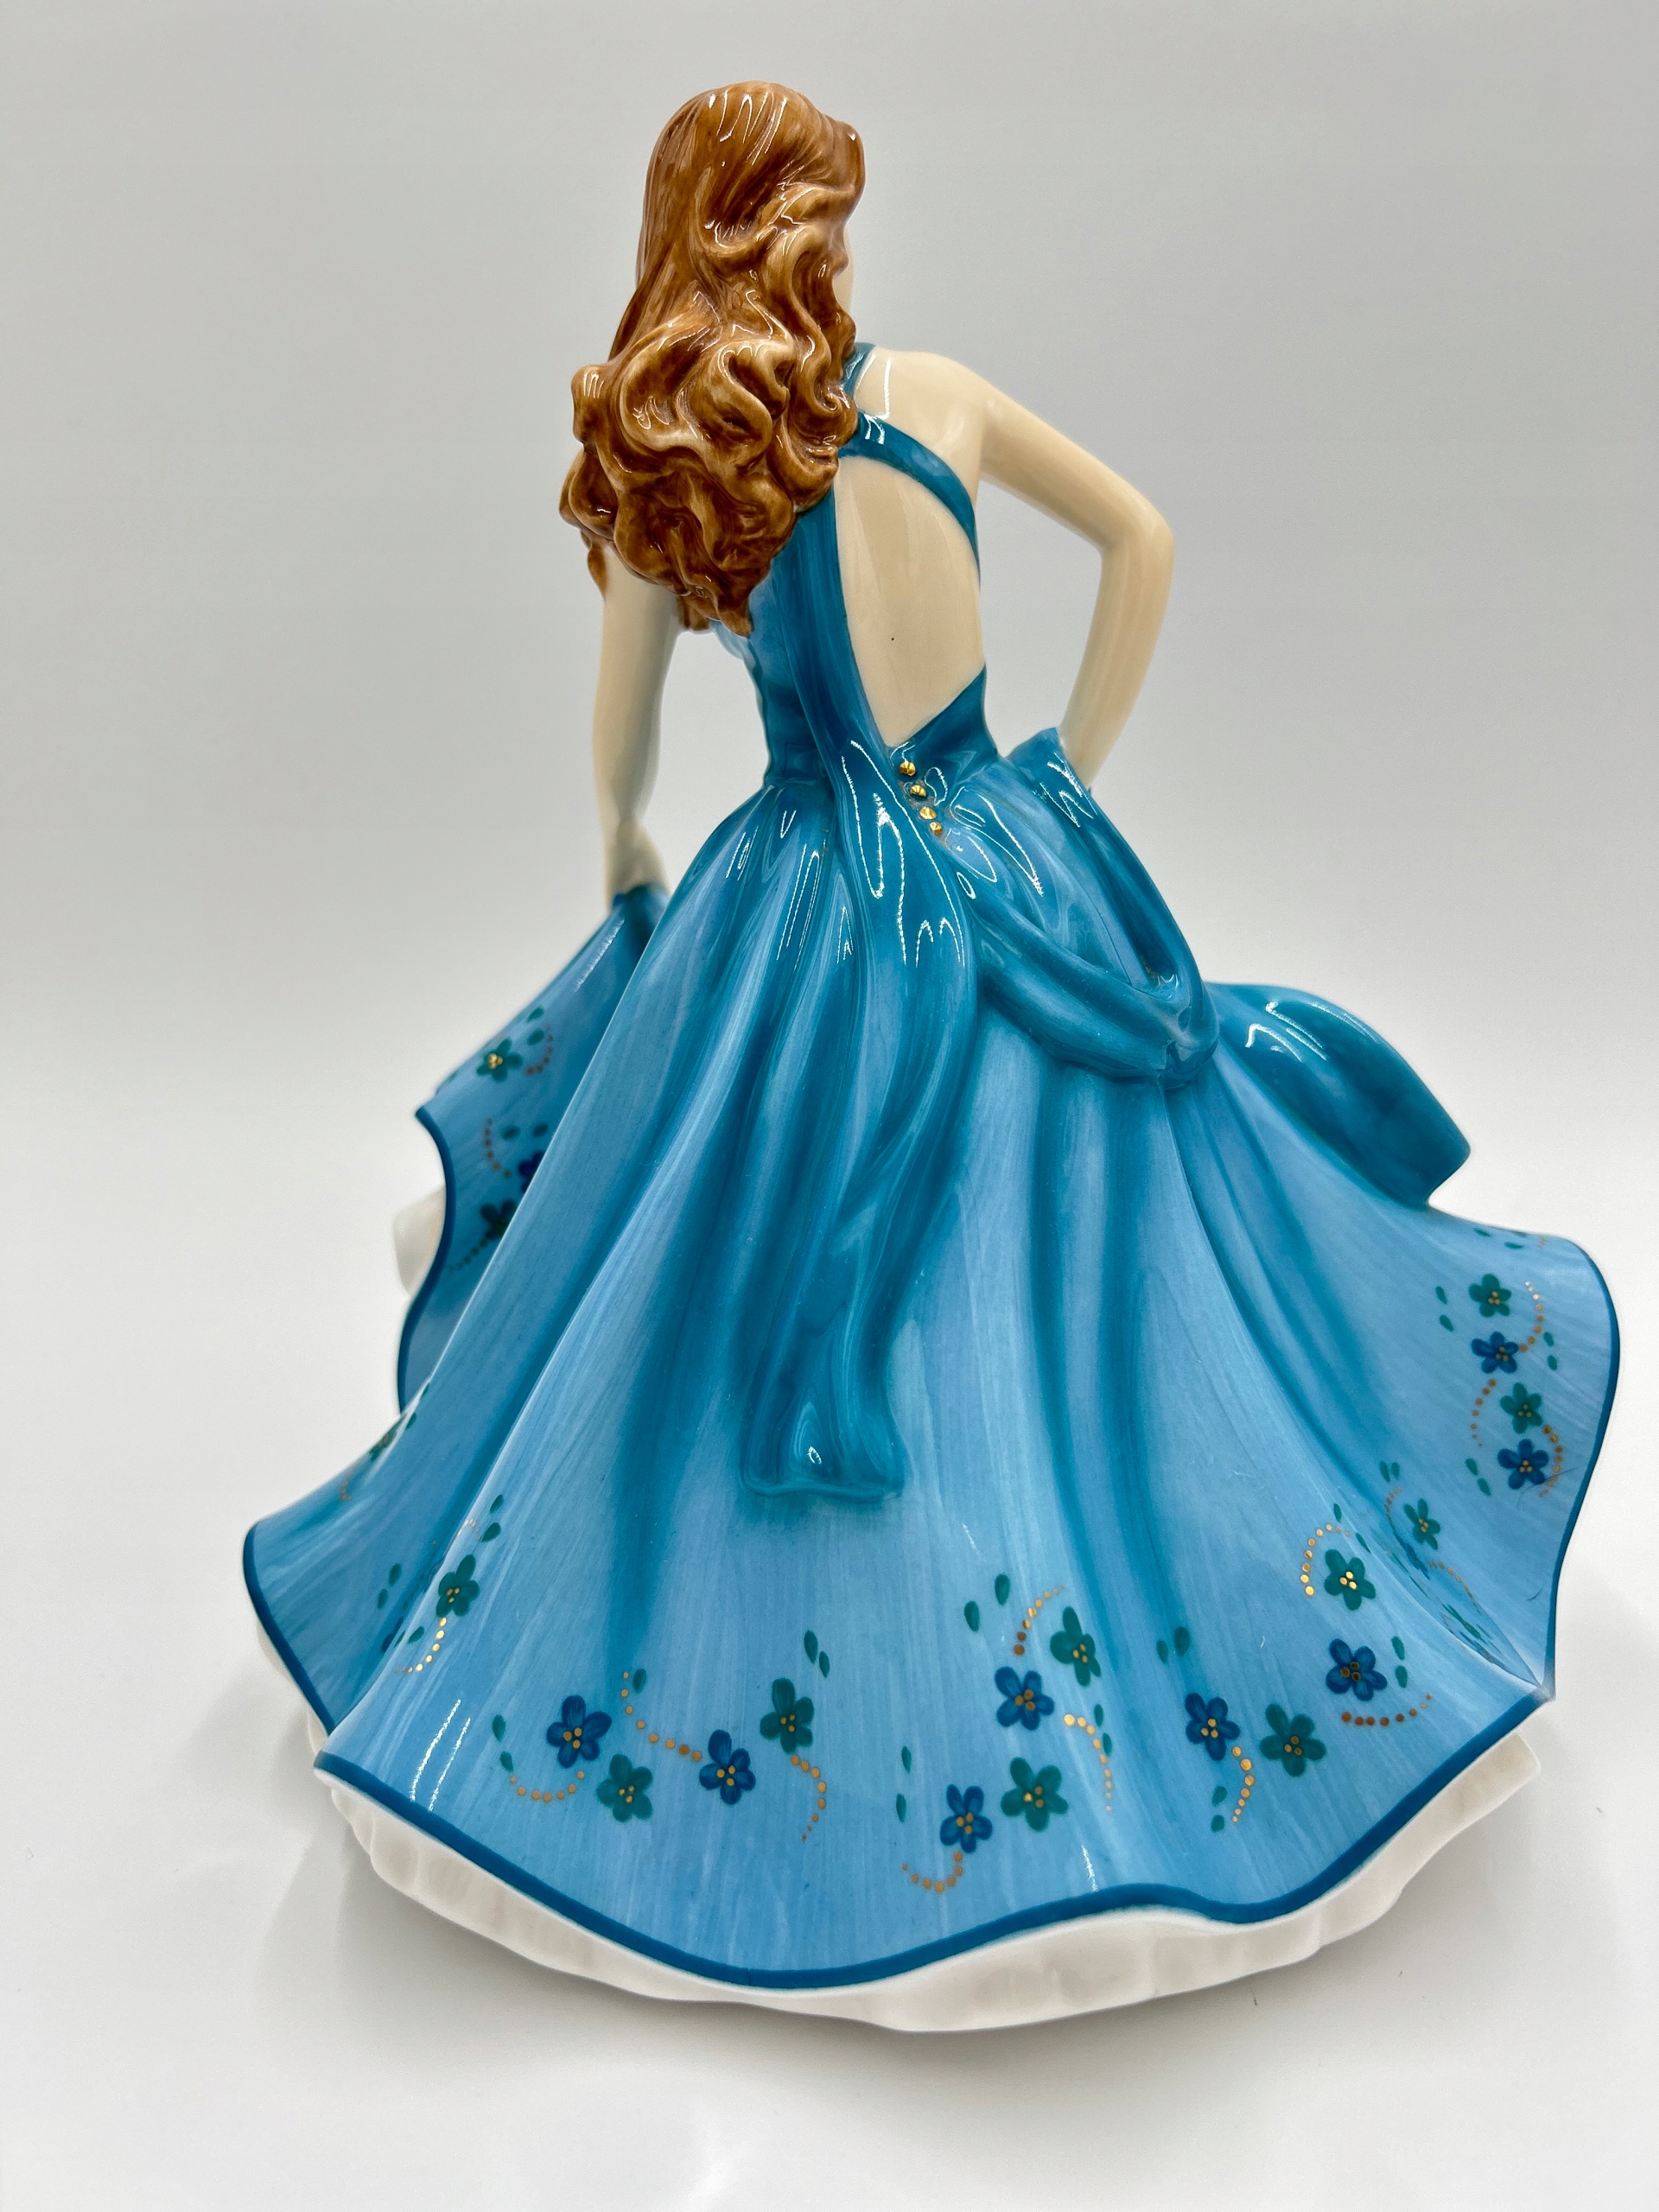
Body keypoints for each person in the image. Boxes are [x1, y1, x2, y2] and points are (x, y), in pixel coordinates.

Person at [245, 82, 1618, 2030]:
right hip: (1015, 857)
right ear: (796, 229)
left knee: (690, 1256)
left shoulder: (677, 462)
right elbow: (1143, 542)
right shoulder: (938, 395)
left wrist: (626, 849)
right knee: (1118, 1260)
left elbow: (620, 746)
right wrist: (1065, 774)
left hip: (801, 898)